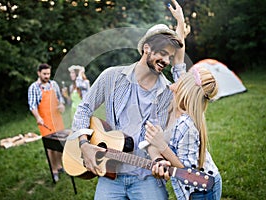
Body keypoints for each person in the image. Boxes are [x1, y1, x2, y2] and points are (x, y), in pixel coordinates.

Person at [70, 0, 188, 199]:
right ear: (147, 48)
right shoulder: (112, 77)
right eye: (162, 53)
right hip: (111, 175)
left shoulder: (168, 91)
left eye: (170, 57)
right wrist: (84, 144)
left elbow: (183, 85)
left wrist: (181, 27)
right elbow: (84, 109)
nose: (166, 61)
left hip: (147, 176)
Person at [145, 66, 222, 199]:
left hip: (201, 190)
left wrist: (162, 146)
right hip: (196, 189)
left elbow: (189, 173)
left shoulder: (186, 125)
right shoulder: (188, 114)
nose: (172, 87)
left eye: (178, 86)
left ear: (186, 94)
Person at [28, 63, 65, 182]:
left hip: (57, 119)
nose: (47, 76)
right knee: (50, 147)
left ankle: (60, 166)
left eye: (48, 73)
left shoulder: (54, 84)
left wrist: (61, 106)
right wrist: (38, 117)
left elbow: (60, 100)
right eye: (44, 74)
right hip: (45, 121)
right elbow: (32, 105)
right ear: (39, 73)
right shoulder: (34, 87)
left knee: (59, 144)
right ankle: (54, 170)